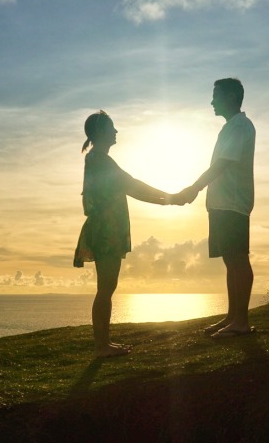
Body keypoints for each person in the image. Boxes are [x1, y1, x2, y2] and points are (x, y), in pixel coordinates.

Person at [74, 110, 172, 357]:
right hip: (106, 230)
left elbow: (130, 185)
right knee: (106, 287)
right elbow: (132, 184)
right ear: (100, 133)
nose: (116, 131)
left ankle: (104, 343)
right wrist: (169, 198)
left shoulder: (98, 158)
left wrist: (166, 199)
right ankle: (101, 346)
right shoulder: (100, 160)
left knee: (107, 286)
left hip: (108, 228)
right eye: (112, 128)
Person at [176, 78, 256, 338]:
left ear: (231, 97)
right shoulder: (231, 127)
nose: (212, 101)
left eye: (216, 95)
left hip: (232, 202)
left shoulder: (239, 127)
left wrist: (194, 188)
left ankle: (241, 322)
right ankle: (232, 317)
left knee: (237, 259)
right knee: (230, 260)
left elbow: (220, 165)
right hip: (222, 203)